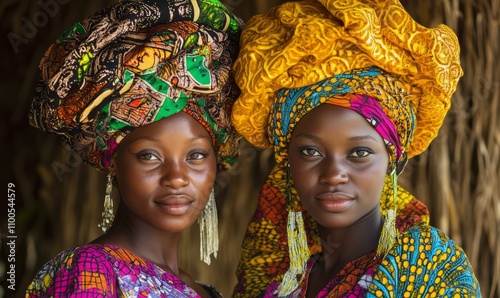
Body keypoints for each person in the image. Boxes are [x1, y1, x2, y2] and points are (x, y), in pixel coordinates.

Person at [230, 0, 481, 297]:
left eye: (359, 153)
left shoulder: (430, 272)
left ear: (393, 160)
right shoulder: (272, 271)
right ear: (286, 160)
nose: (334, 174)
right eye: (311, 152)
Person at [26, 0, 242, 296]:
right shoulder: (92, 271)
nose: (177, 177)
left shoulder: (204, 290)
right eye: (149, 156)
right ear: (112, 161)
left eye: (196, 155)